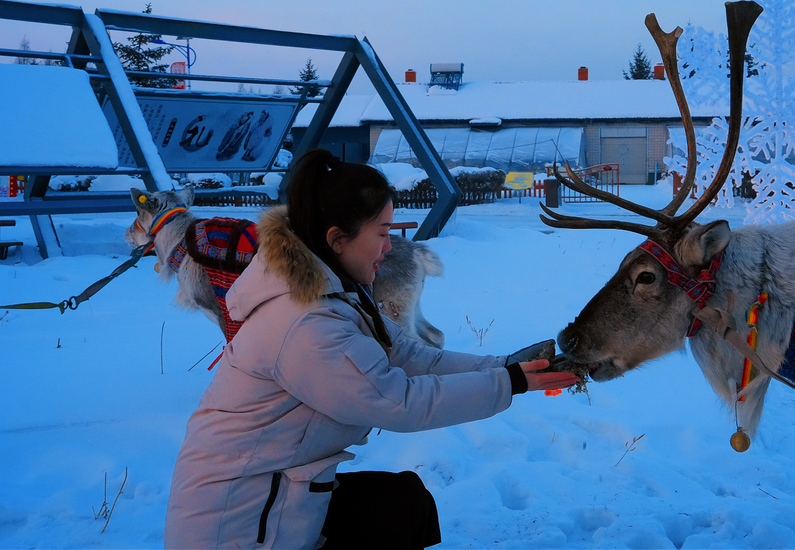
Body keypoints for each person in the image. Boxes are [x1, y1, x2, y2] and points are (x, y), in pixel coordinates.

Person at [164, 149, 579, 549]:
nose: (389, 246)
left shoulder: (336, 294)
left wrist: (506, 365)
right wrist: (509, 383)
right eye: (382, 233)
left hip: (276, 495)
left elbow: (413, 358)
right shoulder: (302, 322)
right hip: (236, 526)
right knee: (392, 512)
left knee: (401, 502)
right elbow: (397, 402)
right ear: (338, 239)